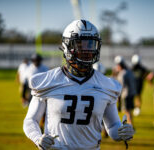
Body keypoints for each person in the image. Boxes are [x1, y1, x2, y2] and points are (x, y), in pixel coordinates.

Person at [23, 20, 134, 150]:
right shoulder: (48, 81)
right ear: (67, 46)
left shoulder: (106, 85)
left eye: (91, 44)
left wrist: (121, 132)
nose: (87, 50)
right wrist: (37, 138)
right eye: (81, 45)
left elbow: (112, 126)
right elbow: (30, 120)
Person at [114, 55, 136, 125]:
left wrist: (119, 97)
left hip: (126, 94)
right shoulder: (129, 71)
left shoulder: (122, 74)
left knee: (127, 110)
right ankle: (130, 123)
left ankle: (130, 124)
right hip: (132, 93)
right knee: (129, 110)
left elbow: (121, 86)